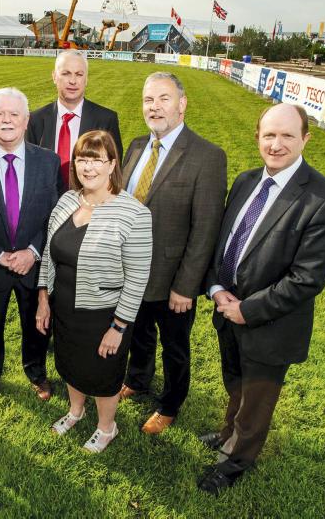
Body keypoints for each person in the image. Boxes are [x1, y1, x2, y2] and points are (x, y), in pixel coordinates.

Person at [199, 103, 325, 494]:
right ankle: (228, 432)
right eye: (269, 135)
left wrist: (246, 310)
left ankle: (236, 461)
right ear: (258, 137)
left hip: (270, 324)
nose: (276, 144)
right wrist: (216, 288)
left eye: (287, 136)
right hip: (226, 311)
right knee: (235, 383)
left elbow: (307, 278)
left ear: (305, 139)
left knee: (257, 401)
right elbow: (223, 242)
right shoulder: (246, 181)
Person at [119, 72, 227, 436]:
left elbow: (206, 228)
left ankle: (170, 404)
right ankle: (137, 379)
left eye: (163, 99)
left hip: (173, 278)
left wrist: (186, 285)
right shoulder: (136, 146)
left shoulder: (207, 156)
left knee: (174, 346)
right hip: (131, 271)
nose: (155, 107)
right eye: (148, 100)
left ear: (182, 104)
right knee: (138, 333)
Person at [36, 130, 152, 453]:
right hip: (64, 307)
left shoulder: (134, 214)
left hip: (104, 314)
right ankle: (76, 411)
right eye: (81, 159)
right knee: (70, 364)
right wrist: (43, 298)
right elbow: (48, 253)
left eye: (96, 159)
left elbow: (137, 278)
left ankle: (106, 427)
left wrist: (119, 327)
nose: (87, 167)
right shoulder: (67, 201)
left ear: (112, 164)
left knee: (103, 374)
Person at [0, 87, 61, 404]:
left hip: (34, 262)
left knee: (37, 322)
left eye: (14, 114)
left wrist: (33, 251)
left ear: (26, 120)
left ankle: (36, 372)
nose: (7, 120)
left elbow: (55, 214)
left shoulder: (48, 161)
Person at [26, 50, 123, 192]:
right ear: (54, 76)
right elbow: (28, 169)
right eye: (66, 73)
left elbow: (115, 172)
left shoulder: (106, 120)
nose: (73, 81)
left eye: (79, 74)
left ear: (86, 79)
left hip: (89, 202)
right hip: (45, 203)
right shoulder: (35, 120)